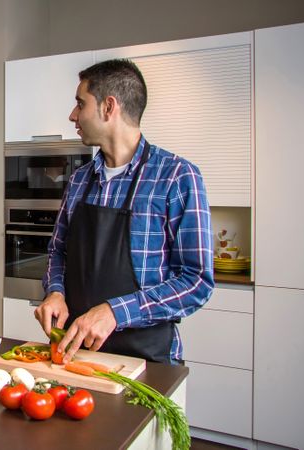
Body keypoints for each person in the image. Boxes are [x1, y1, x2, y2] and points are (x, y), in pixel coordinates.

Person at [34, 59, 214, 364]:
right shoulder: (79, 180)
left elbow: (196, 281)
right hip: (76, 356)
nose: (72, 115)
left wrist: (116, 312)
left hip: (148, 360)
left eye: (80, 104)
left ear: (108, 107)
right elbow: (58, 252)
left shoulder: (176, 177)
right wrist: (55, 292)